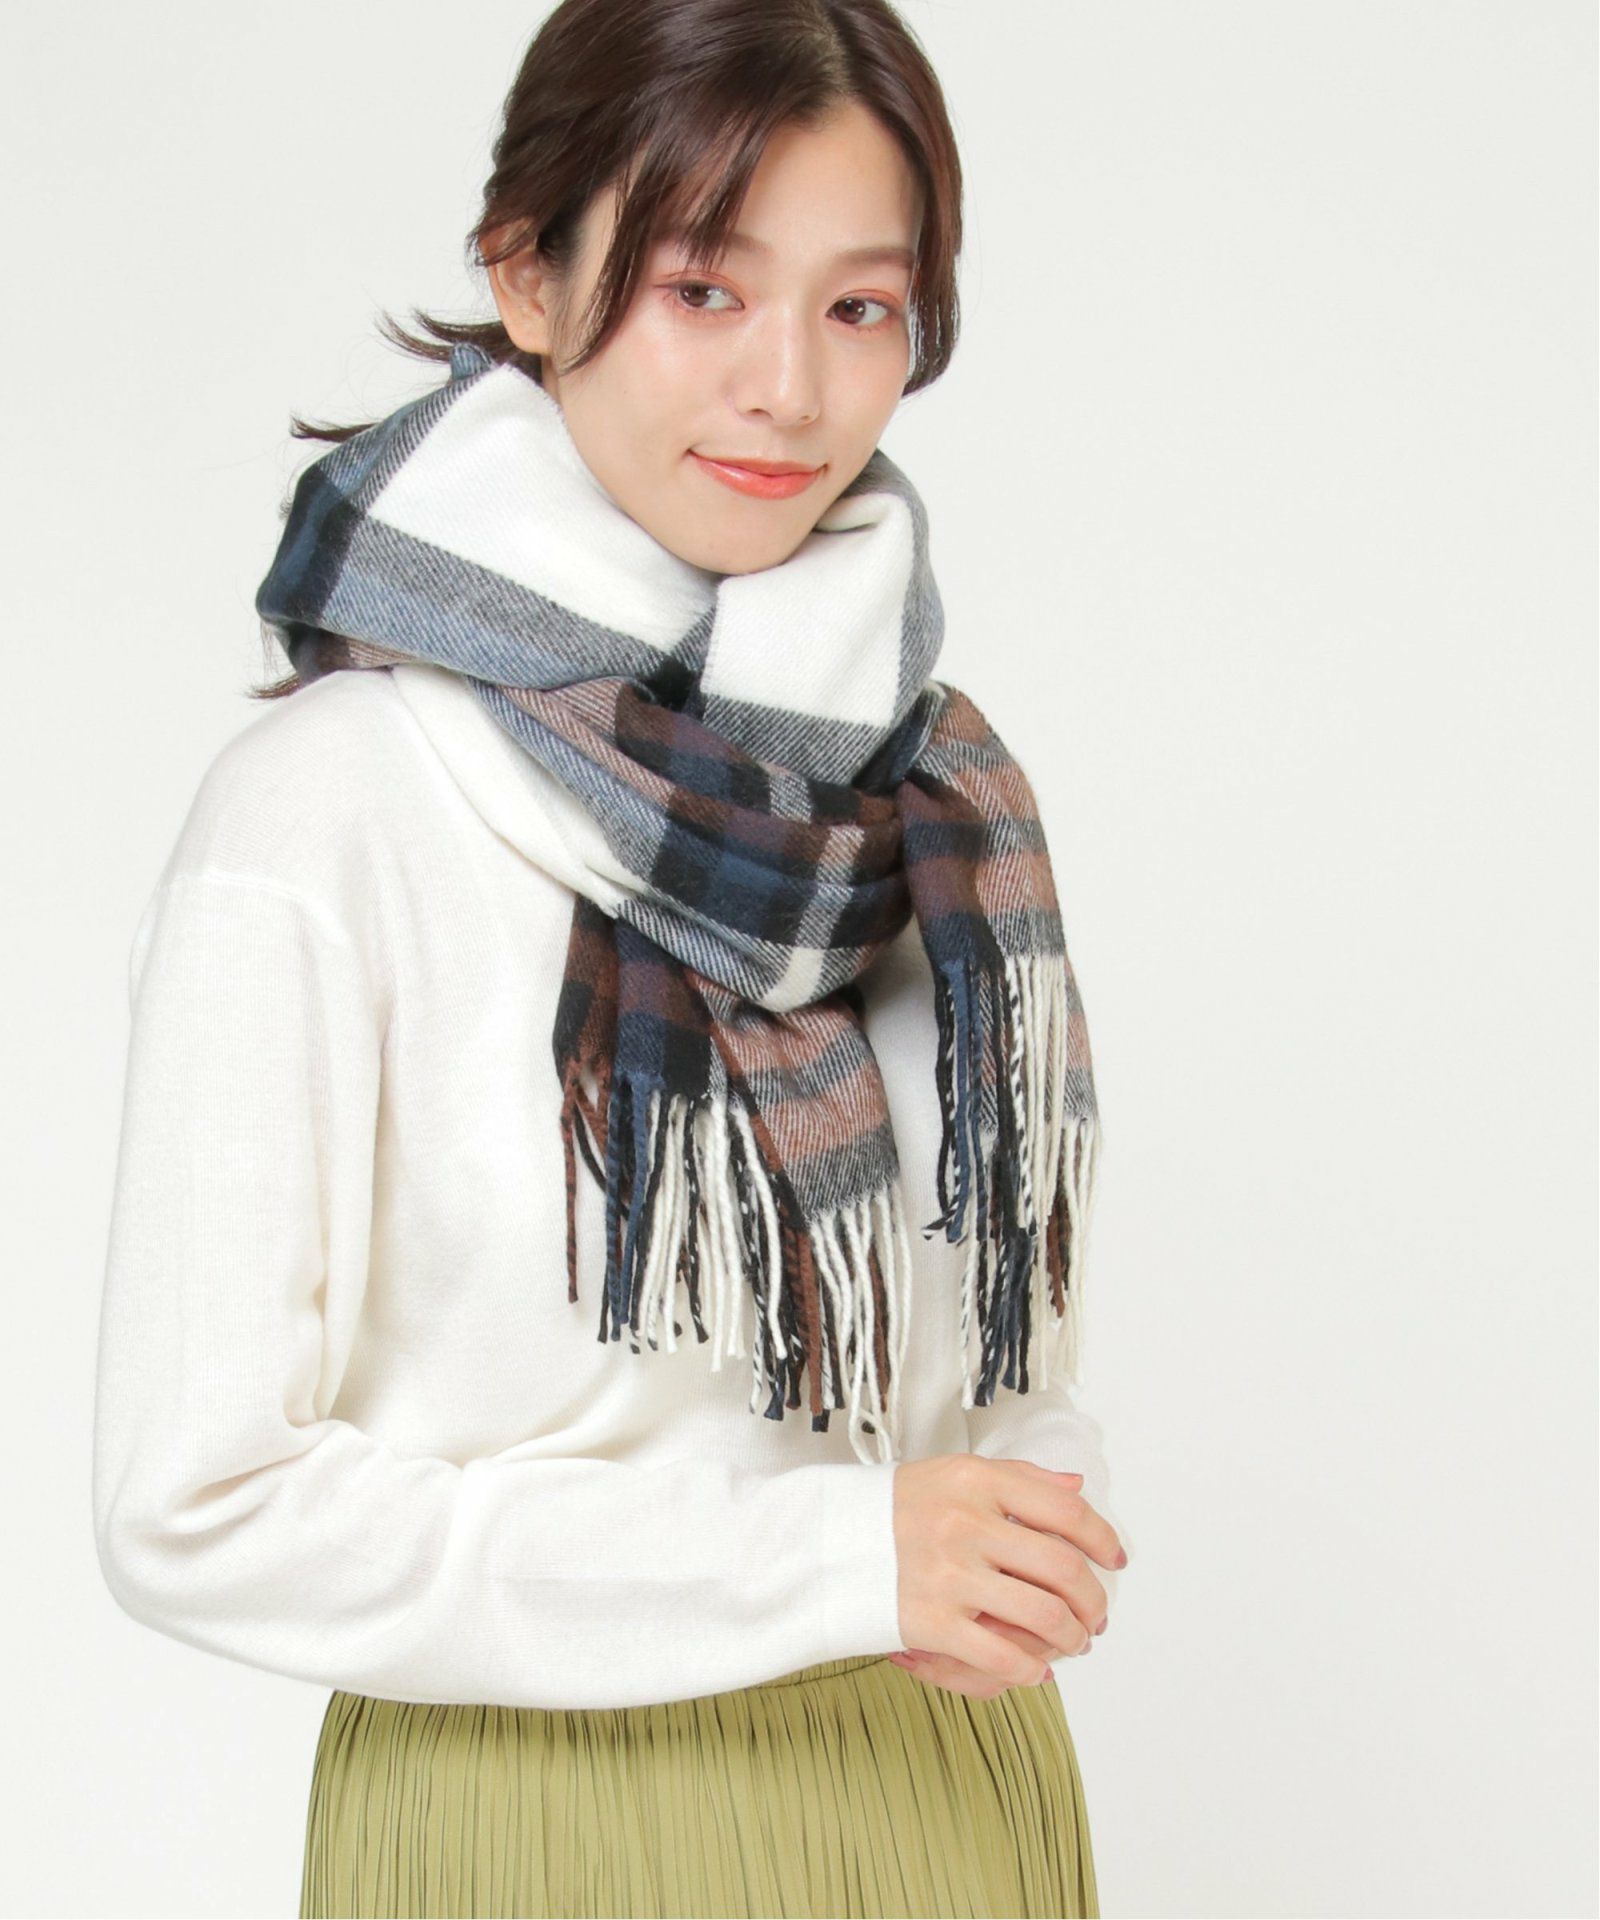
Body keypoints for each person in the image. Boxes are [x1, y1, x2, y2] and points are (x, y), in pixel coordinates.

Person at [91, 1, 1131, 1914]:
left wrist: (1016, 1511)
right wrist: (830, 1564)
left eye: (860, 307)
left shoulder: (939, 799)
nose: (787, 392)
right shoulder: (330, 812)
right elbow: (198, 1505)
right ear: (530, 277)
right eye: (700, 290)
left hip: (946, 1789)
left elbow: (988, 1381)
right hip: (538, 1815)